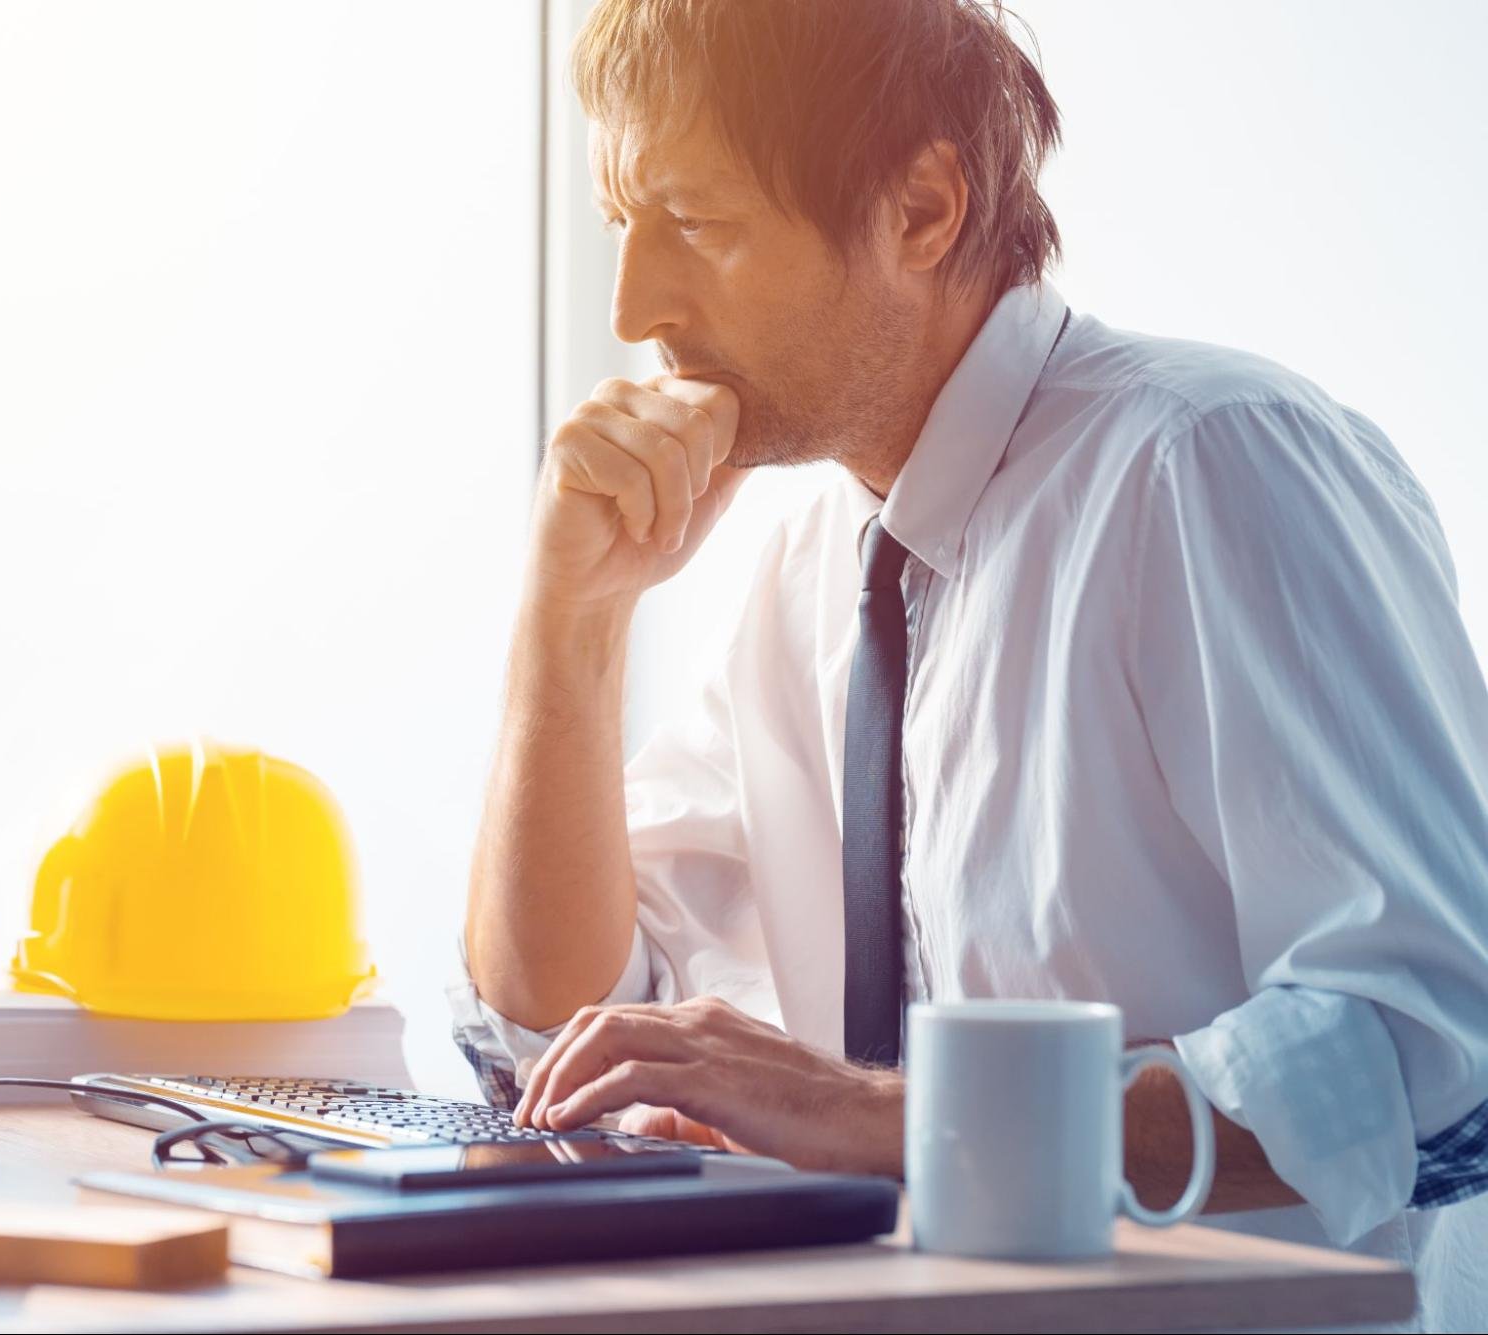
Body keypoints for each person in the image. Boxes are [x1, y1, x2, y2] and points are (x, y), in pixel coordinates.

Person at [449, 1, 1488, 1327]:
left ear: (925, 209)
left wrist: (876, 1118)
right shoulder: (807, 567)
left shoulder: (1212, 462)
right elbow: (566, 1009)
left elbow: (1437, 1046)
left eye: (698, 225)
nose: (635, 305)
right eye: (622, 225)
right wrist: (572, 618)